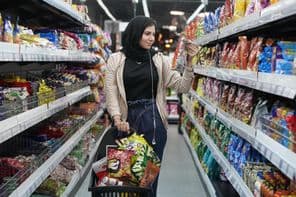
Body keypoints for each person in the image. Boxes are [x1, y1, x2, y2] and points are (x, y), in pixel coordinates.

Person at [104, 15, 198, 196]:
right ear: (135, 33)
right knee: (125, 179)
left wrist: (189, 63)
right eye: (147, 33)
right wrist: (116, 118)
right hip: (126, 124)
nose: (151, 38)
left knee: (148, 181)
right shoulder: (115, 59)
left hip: (153, 126)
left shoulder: (158, 59)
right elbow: (111, 92)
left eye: (153, 34)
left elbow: (182, 86)